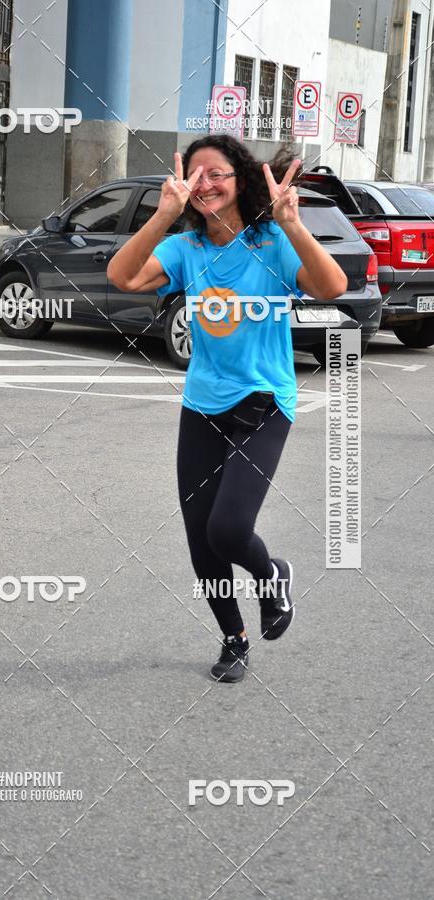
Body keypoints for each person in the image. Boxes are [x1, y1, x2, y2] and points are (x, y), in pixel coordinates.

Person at [107, 135, 347, 683]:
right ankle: (234, 639)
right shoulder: (186, 248)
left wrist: (292, 224)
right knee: (201, 539)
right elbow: (122, 277)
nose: (205, 184)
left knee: (230, 529)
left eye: (216, 173)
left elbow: (332, 286)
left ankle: (270, 576)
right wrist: (162, 215)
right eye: (195, 176)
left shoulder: (272, 242)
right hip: (202, 406)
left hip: (264, 401)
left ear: (239, 180)